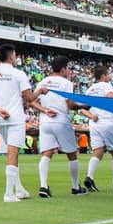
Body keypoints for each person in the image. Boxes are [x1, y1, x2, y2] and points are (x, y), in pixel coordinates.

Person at [0, 45, 52, 202]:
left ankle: (19, 190)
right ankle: (8, 194)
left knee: (13, 154)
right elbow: (29, 98)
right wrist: (40, 91)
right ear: (11, 56)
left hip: (0, 118)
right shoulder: (18, 74)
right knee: (12, 155)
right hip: (15, 118)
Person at [33, 56, 97, 197]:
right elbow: (70, 104)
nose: (68, 71)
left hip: (45, 121)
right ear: (63, 69)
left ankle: (43, 186)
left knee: (46, 153)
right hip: (60, 120)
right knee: (72, 154)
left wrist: (44, 110)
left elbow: (31, 101)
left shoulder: (43, 81)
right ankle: (75, 187)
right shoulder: (66, 83)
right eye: (67, 68)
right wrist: (83, 106)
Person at [84, 65, 113, 191]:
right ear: (103, 76)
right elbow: (110, 98)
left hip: (94, 124)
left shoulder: (90, 89)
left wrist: (92, 116)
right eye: (108, 74)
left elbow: (82, 109)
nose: (109, 76)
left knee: (98, 152)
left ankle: (89, 177)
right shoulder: (106, 85)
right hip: (107, 121)